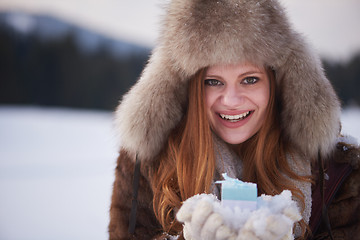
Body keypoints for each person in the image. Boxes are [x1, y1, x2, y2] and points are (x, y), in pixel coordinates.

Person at [108, 0, 360, 239]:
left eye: (250, 79)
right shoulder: (150, 166)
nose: (231, 100)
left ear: (278, 83)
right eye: (213, 82)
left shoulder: (337, 173)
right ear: (191, 88)